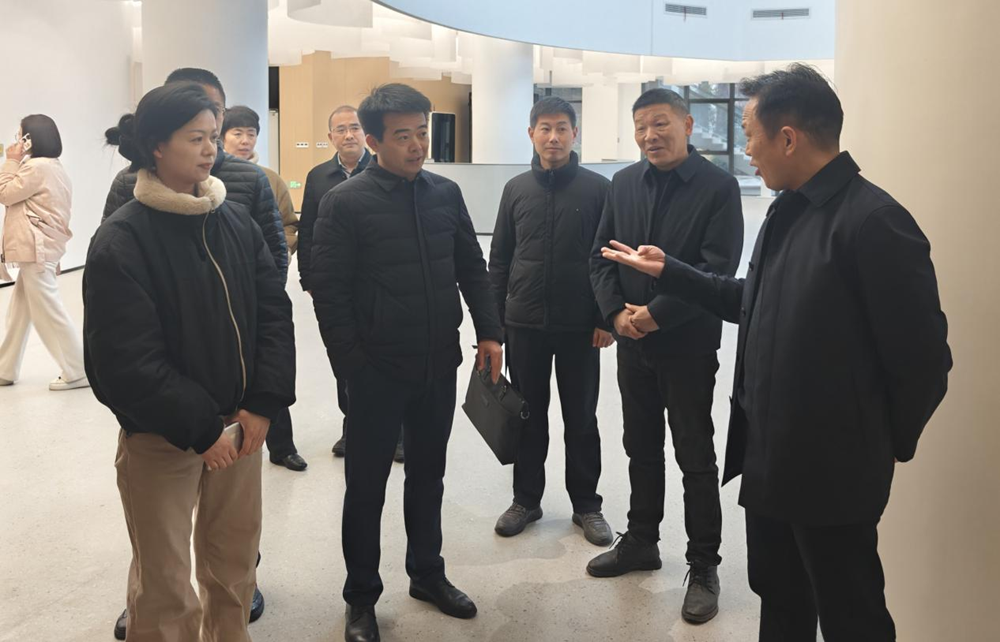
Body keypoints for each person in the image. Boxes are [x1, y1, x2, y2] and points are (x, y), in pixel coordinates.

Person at [600, 63, 952, 642]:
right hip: (770, 458)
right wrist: (673, 272)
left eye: (749, 133)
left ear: (787, 137)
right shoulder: (786, 211)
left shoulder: (874, 222)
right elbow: (750, 301)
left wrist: (876, 445)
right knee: (781, 599)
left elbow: (925, 363)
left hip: (834, 473)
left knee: (851, 613)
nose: (746, 149)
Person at [84, 82, 295, 642]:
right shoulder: (123, 238)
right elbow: (124, 361)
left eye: (213, 136)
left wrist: (262, 404)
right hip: (164, 438)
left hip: (241, 429)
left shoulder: (235, 222)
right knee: (165, 584)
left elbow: (273, 314)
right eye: (195, 138)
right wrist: (202, 429)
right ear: (156, 146)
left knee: (233, 570)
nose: (210, 149)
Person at [310, 83, 503, 642]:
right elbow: (329, 293)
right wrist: (353, 366)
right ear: (373, 141)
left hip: (438, 363)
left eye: (422, 133)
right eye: (403, 136)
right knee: (365, 486)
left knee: (428, 476)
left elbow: (471, 265)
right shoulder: (345, 202)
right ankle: (361, 598)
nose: (418, 145)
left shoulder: (445, 193)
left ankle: (427, 574)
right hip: (376, 371)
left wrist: (490, 331)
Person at [588, 87, 744, 625]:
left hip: (688, 345)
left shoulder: (719, 187)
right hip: (633, 345)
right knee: (640, 446)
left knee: (694, 455)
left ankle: (703, 565)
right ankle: (641, 541)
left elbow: (717, 269)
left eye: (660, 124)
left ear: (688, 124)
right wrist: (616, 315)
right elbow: (601, 257)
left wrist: (656, 315)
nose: (649, 136)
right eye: (640, 127)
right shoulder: (623, 183)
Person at [487, 96, 614, 544]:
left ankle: (587, 505)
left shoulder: (599, 190)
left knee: (581, 418)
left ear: (575, 134)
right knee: (527, 416)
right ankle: (526, 499)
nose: (553, 137)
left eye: (562, 128)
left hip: (581, 327)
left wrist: (606, 318)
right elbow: (499, 259)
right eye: (545, 128)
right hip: (524, 324)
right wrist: (494, 326)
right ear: (531, 134)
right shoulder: (516, 189)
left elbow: (609, 258)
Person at [222, 104, 307, 472]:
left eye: (251, 133)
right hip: (218, 286)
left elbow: (288, 225)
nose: (245, 140)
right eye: (237, 133)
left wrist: (273, 263)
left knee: (268, 364)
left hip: (259, 284)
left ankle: (282, 446)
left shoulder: (269, 179)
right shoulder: (205, 175)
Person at [297, 104, 385, 460]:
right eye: (341, 129)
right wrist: (308, 277)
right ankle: (353, 426)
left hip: (377, 284)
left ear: (366, 134)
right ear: (330, 137)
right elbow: (307, 229)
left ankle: (393, 430)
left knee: (382, 355)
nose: (349, 135)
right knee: (343, 356)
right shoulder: (318, 177)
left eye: (355, 128)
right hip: (336, 285)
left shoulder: (383, 170)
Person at [0, 115, 88, 391]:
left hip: (36, 249)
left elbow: (4, 193)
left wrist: (11, 161)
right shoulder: (52, 166)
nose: (16, 141)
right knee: (19, 313)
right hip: (39, 248)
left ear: (29, 140)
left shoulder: (36, 167)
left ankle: (77, 371)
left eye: (20, 135)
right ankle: (5, 368)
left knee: (48, 312)